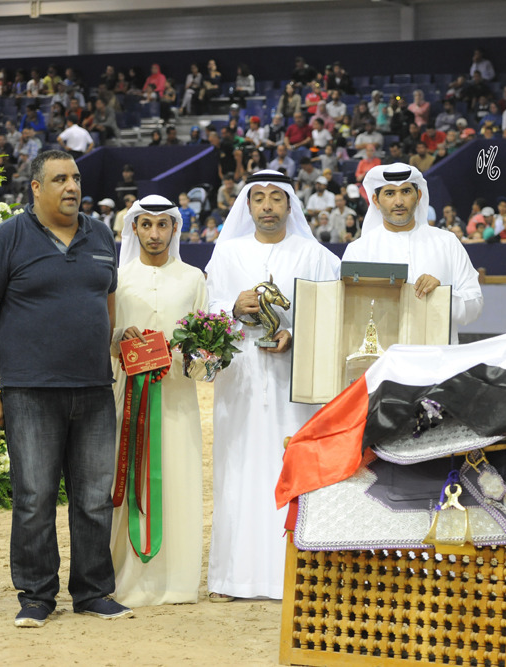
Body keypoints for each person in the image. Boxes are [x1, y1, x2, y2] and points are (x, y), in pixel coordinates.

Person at [0, 150, 132, 627]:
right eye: (60, 178)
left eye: (77, 178)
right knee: (35, 497)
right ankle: (37, 597)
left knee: (93, 498)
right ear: (36, 188)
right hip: (29, 391)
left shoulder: (101, 234)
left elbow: (106, 305)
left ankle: (92, 592)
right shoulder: (4, 240)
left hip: (93, 390)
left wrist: (113, 346)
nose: (72, 186)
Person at [204, 171, 340, 601]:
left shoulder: (316, 255)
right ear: (247, 206)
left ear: (289, 206)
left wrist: (296, 333)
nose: (267, 206)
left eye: (276, 198)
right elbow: (206, 311)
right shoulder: (226, 254)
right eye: (259, 198)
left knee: (293, 467)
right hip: (240, 382)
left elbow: (334, 313)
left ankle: (296, 576)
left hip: (294, 385)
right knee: (237, 470)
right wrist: (231, 306)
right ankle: (233, 578)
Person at [109, 195, 208, 607]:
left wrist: (187, 357)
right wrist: (120, 341)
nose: (154, 233)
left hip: (178, 400)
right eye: (145, 225)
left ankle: (178, 583)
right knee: (128, 482)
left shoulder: (193, 278)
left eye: (162, 225)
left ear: (174, 229)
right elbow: (106, 339)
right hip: (127, 401)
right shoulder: (118, 279)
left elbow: (206, 348)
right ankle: (125, 581)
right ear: (134, 228)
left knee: (178, 481)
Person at [343, 164, 482, 344]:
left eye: (406, 191)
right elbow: (348, 314)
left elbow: (475, 306)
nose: (399, 201)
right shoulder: (359, 251)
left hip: (437, 363)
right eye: (390, 193)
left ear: (419, 196)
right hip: (382, 364)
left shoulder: (447, 243)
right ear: (376, 201)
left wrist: (441, 294)